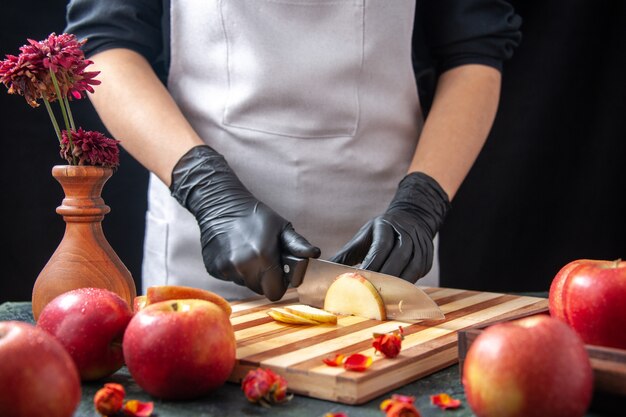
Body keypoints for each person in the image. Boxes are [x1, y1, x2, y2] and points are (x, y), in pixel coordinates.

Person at [65, 0, 521, 301]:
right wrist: (207, 192)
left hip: (386, 242)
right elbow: (106, 43)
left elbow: (474, 51)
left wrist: (423, 204)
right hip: (203, 243)